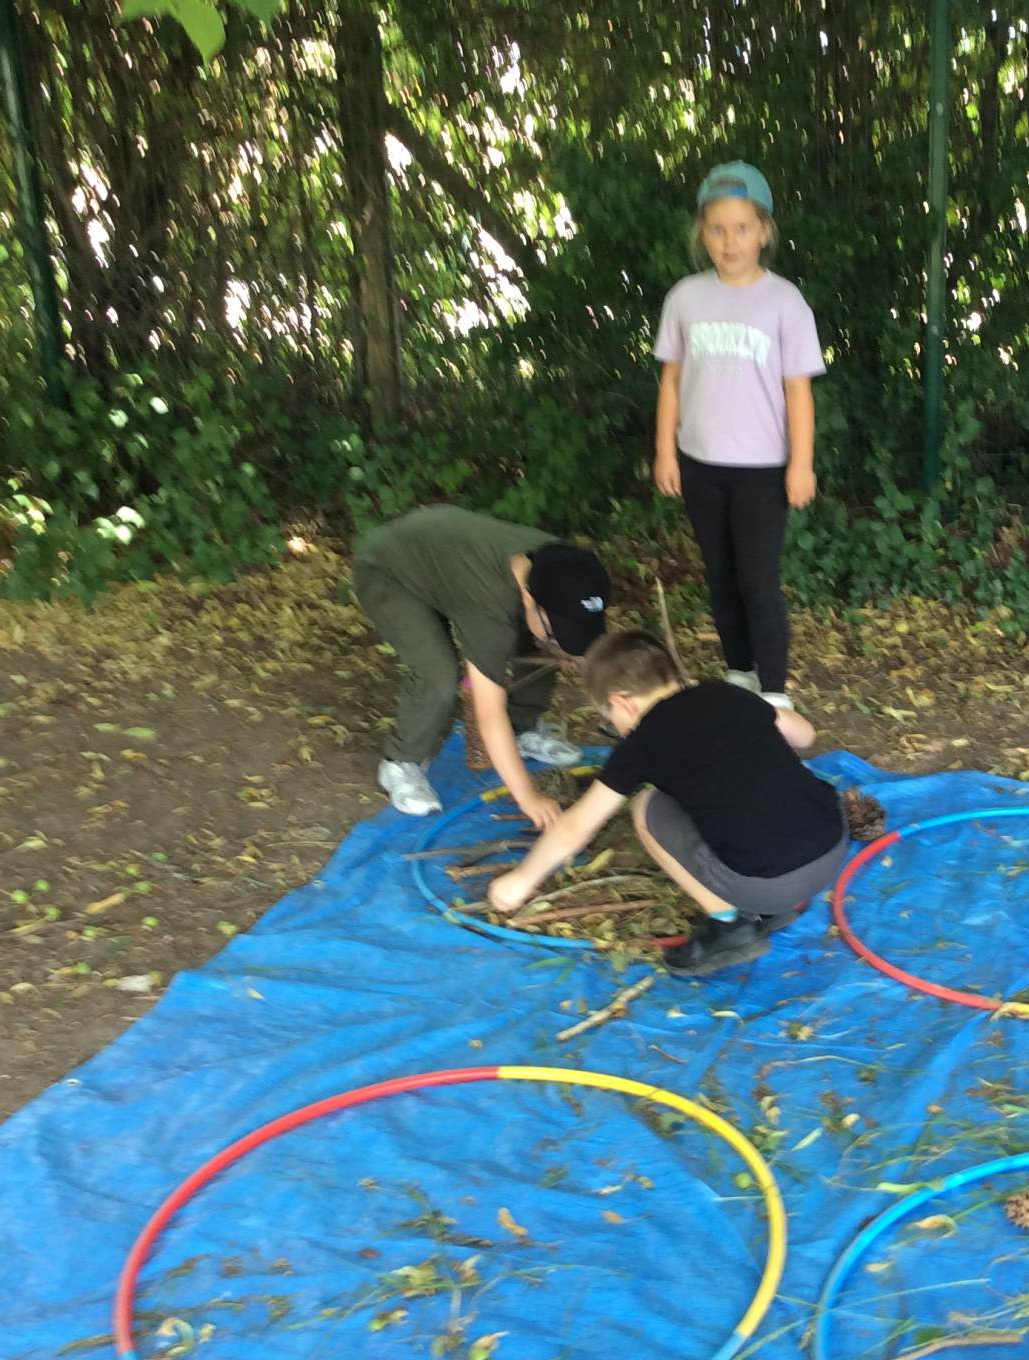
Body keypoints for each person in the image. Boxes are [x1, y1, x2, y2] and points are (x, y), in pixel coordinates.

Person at [489, 631, 848, 976]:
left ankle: (730, 926)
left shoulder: (643, 742)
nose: (617, 729)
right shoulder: (725, 692)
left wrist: (521, 880)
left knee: (648, 808)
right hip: (834, 846)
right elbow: (805, 735)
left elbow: (577, 826)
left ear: (622, 701)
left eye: (610, 719)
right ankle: (773, 908)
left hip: (770, 886)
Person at [652, 160, 824, 714]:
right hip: (700, 465)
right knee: (721, 578)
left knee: (757, 581)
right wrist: (665, 451)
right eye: (718, 229)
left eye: (742, 228)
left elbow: (798, 390)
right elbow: (671, 381)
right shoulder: (685, 298)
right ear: (702, 234)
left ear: (764, 231)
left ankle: (774, 693)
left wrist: (801, 463)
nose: (731, 242)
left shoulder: (785, 302)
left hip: (763, 470)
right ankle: (740, 675)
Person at [352, 504, 610, 828]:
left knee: (538, 638)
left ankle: (522, 726)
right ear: (528, 598)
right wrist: (527, 797)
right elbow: (488, 713)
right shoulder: (489, 607)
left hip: (444, 561)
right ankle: (400, 761)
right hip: (389, 571)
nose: (560, 638)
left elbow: (562, 620)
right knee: (438, 673)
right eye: (556, 627)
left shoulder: (564, 566)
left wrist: (564, 642)